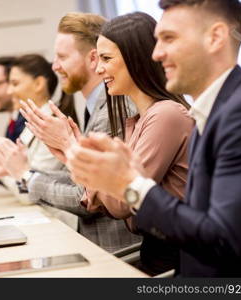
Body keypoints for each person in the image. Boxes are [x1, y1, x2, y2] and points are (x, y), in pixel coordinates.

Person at [67, 0, 241, 277]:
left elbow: (222, 239)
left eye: (169, 39)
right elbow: (196, 226)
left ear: (215, 37)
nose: (156, 54)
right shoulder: (213, 111)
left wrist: (132, 186)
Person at [76, 12, 193, 276]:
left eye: (106, 58)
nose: (98, 69)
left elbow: (119, 204)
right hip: (157, 254)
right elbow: (105, 197)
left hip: (174, 261)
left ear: (136, 58)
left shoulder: (166, 115)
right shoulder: (140, 120)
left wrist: (100, 180)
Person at [17, 13, 141, 253]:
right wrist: (24, 173)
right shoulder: (96, 107)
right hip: (96, 247)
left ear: (93, 58)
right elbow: (79, 181)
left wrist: (29, 178)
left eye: (62, 57)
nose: (54, 66)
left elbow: (86, 198)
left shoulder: (113, 109)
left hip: (117, 256)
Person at [0, 54, 78, 211]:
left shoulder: (51, 127)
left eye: (14, 83)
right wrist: (7, 167)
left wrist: (8, 167)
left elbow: (30, 194)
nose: (10, 90)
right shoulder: (33, 125)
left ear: (39, 83)